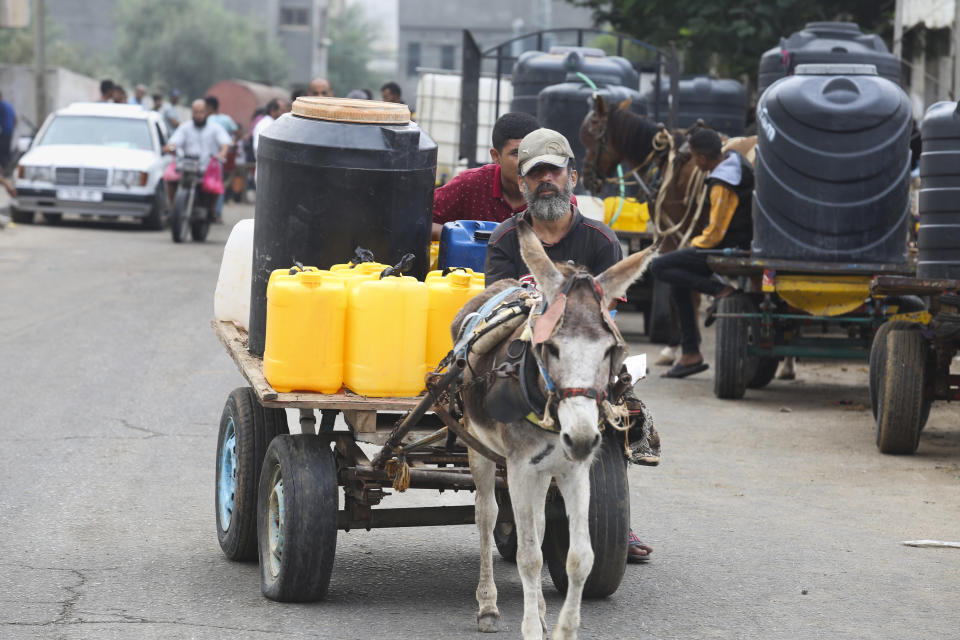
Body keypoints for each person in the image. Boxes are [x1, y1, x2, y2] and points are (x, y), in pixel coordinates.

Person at [485, 128, 656, 562]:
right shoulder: (507, 238)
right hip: (526, 353)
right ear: (522, 184)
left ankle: (613, 516)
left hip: (582, 355)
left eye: (554, 171)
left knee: (619, 404)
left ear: (572, 178)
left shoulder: (601, 240)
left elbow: (607, 315)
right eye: (535, 173)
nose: (546, 179)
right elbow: (500, 306)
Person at [650, 128, 754, 378]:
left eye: (695, 158)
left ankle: (720, 290)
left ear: (703, 159)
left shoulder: (721, 183)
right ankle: (690, 354)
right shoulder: (735, 163)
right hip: (733, 243)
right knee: (678, 281)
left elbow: (716, 233)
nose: (694, 163)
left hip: (727, 248)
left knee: (659, 266)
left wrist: (693, 245)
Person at [432, 112, 547, 240]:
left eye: (534, 153)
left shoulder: (552, 194)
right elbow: (418, 221)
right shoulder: (470, 184)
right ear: (496, 156)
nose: (528, 161)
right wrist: (464, 237)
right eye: (517, 153)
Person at [161, 99, 231, 212]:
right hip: (187, 167)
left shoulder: (215, 128)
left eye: (201, 112)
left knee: (215, 186)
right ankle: (173, 210)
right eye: (195, 112)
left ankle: (212, 211)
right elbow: (174, 141)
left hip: (207, 168)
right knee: (170, 179)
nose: (198, 115)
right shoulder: (185, 127)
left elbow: (225, 143)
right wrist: (170, 147)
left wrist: (222, 153)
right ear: (192, 113)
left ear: (206, 112)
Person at [0, 92, 17, 171]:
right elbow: (15, 119)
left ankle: (6, 170)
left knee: (3, 152)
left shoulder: (1, 106)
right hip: (9, 131)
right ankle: (8, 169)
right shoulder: (8, 105)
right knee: (6, 150)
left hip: (5, 132)